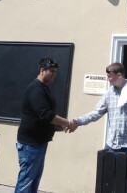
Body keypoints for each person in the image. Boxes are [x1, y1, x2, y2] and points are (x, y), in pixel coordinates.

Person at [15, 57, 77, 193]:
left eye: (55, 71)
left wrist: (55, 126)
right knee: (26, 182)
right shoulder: (36, 89)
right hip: (30, 144)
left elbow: (40, 117)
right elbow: (46, 115)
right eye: (52, 71)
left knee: (33, 181)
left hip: (38, 143)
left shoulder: (43, 88)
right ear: (42, 70)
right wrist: (68, 123)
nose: (54, 74)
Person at [73, 62, 127, 156]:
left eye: (110, 76)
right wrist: (78, 121)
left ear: (119, 75)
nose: (108, 79)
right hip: (112, 145)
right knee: (106, 166)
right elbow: (96, 113)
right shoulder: (109, 93)